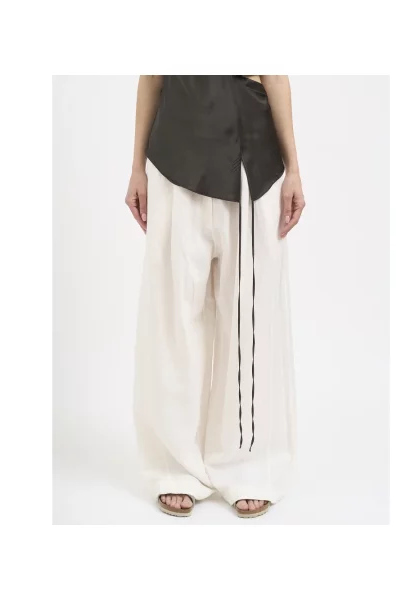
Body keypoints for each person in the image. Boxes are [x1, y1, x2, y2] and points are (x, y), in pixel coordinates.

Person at [126, 75, 305, 518]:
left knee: (249, 320)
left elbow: (274, 73)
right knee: (175, 317)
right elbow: (153, 74)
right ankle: (175, 466)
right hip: (176, 154)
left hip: (252, 160)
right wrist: (136, 167)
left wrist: (294, 169)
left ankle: (249, 466)